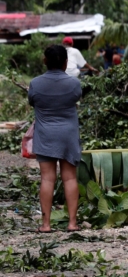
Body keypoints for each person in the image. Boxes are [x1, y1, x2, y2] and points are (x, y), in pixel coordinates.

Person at [28, 45, 83, 232]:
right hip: (68, 134)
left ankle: (45, 225)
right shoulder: (74, 84)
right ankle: (72, 223)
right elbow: (75, 99)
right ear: (65, 63)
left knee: (47, 179)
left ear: (45, 61)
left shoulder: (35, 83)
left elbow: (32, 101)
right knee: (69, 178)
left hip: (45, 135)